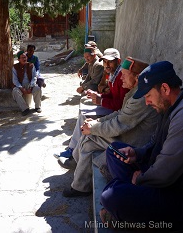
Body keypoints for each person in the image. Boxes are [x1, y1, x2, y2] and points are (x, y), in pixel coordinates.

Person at [100, 61, 183, 230]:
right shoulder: (167, 106)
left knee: (111, 196)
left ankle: (128, 203)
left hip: (172, 193)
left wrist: (141, 179)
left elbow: (164, 172)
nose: (147, 102)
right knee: (113, 151)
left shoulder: (181, 117)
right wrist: (137, 153)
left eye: (148, 96)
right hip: (154, 172)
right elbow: (155, 143)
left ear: (165, 89)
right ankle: (128, 197)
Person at [61, 57, 160, 197]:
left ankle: (80, 186)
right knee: (88, 133)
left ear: (137, 77)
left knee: (89, 140)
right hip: (129, 133)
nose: (121, 78)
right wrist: (96, 123)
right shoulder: (135, 92)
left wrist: (93, 127)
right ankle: (77, 167)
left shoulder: (141, 98)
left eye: (125, 75)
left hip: (134, 141)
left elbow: (119, 124)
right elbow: (120, 114)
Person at [55, 48, 129, 160]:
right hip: (112, 106)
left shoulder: (121, 77)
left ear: (118, 61)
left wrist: (101, 100)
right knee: (84, 111)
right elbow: (112, 95)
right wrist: (98, 96)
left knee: (85, 117)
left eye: (110, 61)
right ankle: (73, 147)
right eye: (105, 61)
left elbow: (120, 104)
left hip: (117, 112)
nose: (107, 65)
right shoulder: (112, 74)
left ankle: (72, 150)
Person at [12, 50, 42, 116]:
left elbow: (34, 77)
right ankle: (25, 109)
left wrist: (31, 87)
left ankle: (38, 107)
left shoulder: (31, 65)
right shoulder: (15, 67)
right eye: (22, 58)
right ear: (19, 59)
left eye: (25, 57)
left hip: (30, 85)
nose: (24, 59)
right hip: (20, 86)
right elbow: (15, 80)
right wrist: (21, 88)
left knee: (37, 89)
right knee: (15, 91)